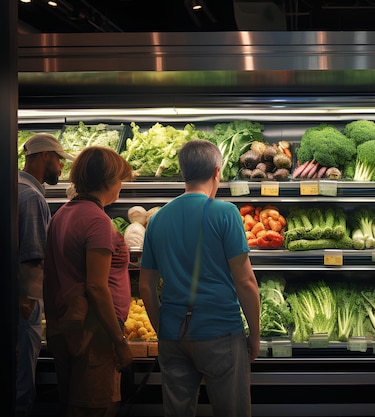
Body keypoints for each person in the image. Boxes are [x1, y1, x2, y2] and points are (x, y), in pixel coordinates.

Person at [139, 139, 260, 417]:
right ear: (217, 172)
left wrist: (163, 329)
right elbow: (245, 282)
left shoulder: (157, 219)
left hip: (173, 334)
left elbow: (145, 285)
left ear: (183, 173)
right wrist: (254, 335)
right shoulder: (225, 213)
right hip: (220, 331)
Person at [43, 146, 134, 416]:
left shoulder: (63, 214)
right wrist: (119, 341)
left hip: (66, 325)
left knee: (75, 404)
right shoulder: (97, 222)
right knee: (95, 407)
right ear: (107, 180)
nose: (121, 187)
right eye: (120, 180)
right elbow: (96, 286)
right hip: (95, 331)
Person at [17, 133, 74, 416]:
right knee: (21, 383)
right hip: (22, 305)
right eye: (59, 161)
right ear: (45, 156)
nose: (61, 168)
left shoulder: (15, 188)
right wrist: (30, 305)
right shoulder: (30, 197)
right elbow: (32, 257)